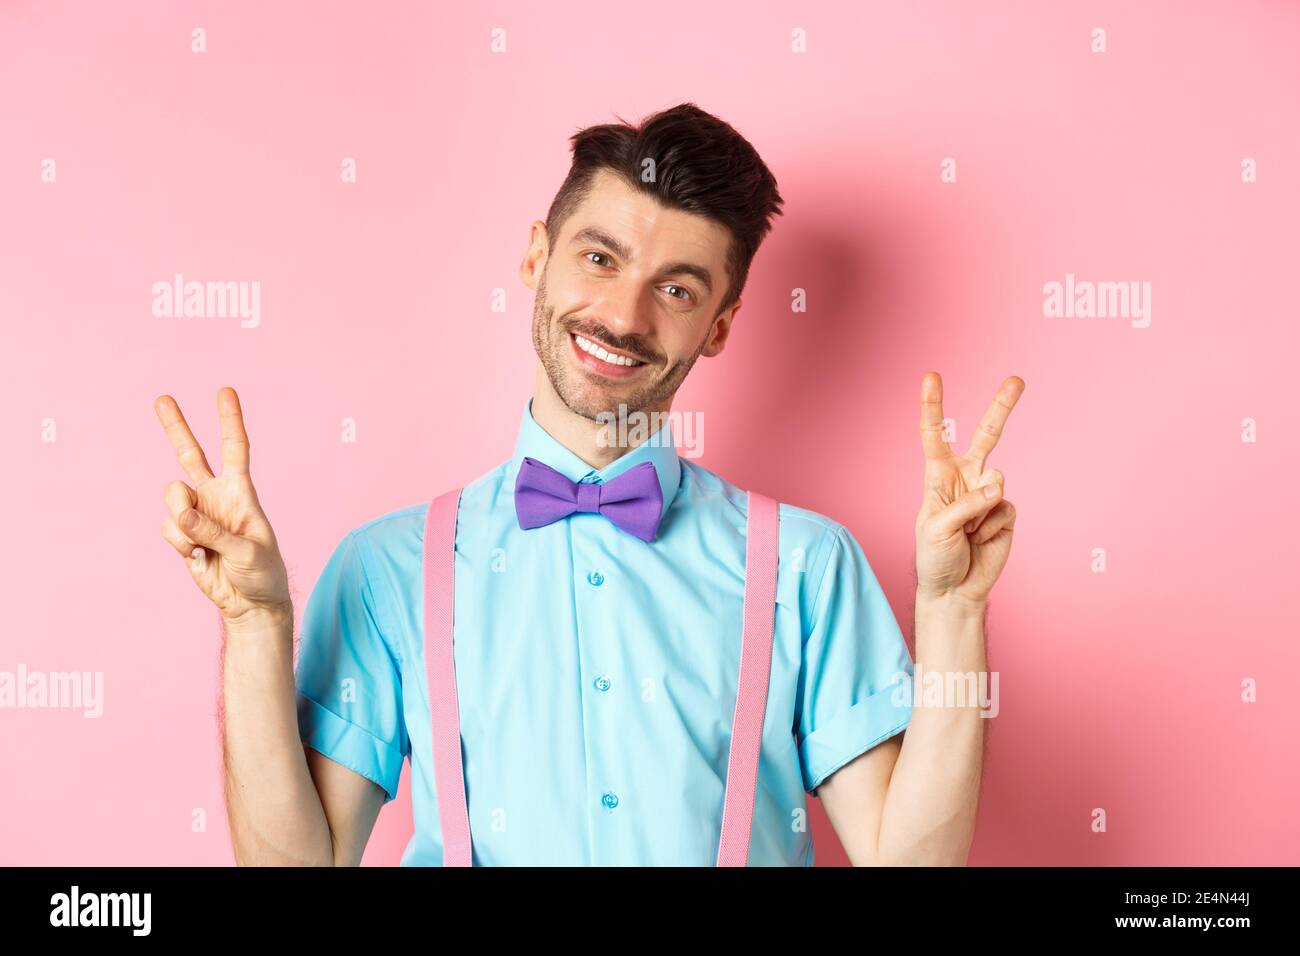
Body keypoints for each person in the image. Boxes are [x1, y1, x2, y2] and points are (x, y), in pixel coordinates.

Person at [154, 102, 1023, 866]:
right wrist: (255, 624)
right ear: (537, 256)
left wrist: (953, 614)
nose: (622, 317)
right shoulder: (387, 568)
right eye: (600, 259)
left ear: (719, 326)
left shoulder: (808, 565)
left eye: (675, 289)